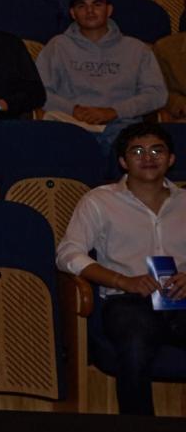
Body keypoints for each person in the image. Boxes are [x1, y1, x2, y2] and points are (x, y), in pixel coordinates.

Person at [59, 123, 186, 415]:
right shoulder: (100, 200)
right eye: (137, 151)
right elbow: (67, 253)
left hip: (180, 297)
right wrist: (123, 280)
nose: (148, 157)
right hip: (125, 300)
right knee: (135, 341)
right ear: (122, 162)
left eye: (157, 150)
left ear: (171, 159)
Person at [36, 0, 167, 151]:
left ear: (109, 10)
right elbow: (39, 91)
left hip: (121, 126)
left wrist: (114, 111)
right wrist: (73, 109)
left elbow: (156, 94)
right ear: (73, 14)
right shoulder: (56, 46)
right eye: (82, 6)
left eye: (97, 5)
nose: (90, 11)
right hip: (70, 123)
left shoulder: (137, 48)